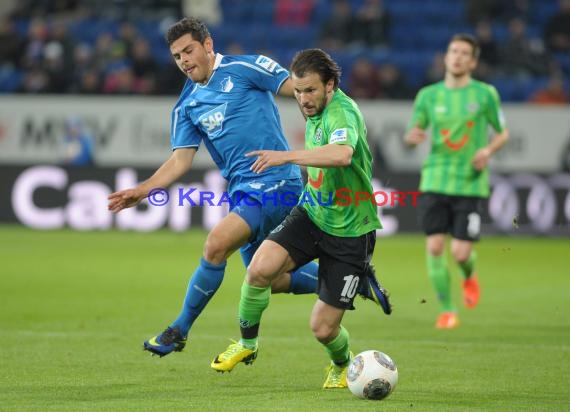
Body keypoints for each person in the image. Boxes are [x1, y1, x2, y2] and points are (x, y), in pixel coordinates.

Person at [107, 18, 389, 358]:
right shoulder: (186, 105)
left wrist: (338, 120)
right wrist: (143, 189)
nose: (183, 60)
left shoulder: (246, 67)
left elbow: (300, 88)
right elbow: (180, 160)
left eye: (189, 50)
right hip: (242, 191)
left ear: (207, 45)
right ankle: (350, 280)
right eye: (176, 55)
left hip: (276, 182)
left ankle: (179, 330)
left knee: (216, 245)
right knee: (268, 279)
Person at [211, 48, 391, 390]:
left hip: (351, 231)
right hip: (312, 214)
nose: (303, 99)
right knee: (260, 270)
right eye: (297, 91)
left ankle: (341, 364)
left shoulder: (343, 112)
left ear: (330, 86)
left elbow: (340, 155)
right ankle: (247, 345)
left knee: (322, 329)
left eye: (310, 90)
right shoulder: (315, 110)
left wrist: (286, 157)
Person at [404, 34, 509, 329]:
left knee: (461, 252)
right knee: (436, 247)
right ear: (446, 56)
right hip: (435, 178)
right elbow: (413, 134)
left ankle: (469, 275)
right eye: (453, 51)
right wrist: (412, 139)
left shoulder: (485, 94)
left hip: (469, 183)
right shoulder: (428, 95)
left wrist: (487, 151)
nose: (458, 56)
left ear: (473, 61)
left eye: (464, 53)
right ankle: (448, 310)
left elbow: (502, 133)